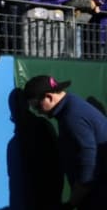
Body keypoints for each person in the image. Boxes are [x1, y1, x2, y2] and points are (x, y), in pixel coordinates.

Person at [23, 75, 107, 210]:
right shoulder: (71, 105)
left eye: (35, 104)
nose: (37, 111)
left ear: (49, 97)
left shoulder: (71, 115)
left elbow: (89, 162)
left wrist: (73, 202)